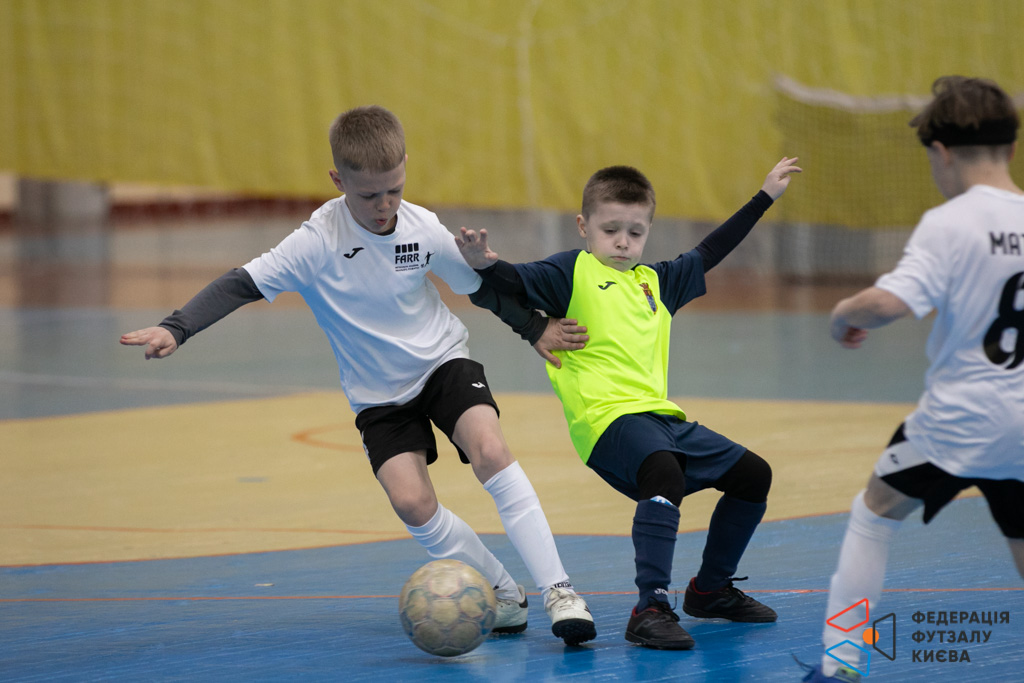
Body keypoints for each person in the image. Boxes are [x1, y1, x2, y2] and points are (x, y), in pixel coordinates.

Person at [120, 105, 597, 646]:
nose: (384, 205)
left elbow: (479, 289)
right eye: (369, 195)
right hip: (378, 395)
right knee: (411, 503)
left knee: (489, 449)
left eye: (394, 189)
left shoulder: (422, 227)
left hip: (442, 362)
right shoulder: (316, 241)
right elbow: (241, 283)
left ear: (405, 167)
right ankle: (503, 590)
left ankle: (560, 592)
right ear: (337, 180)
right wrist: (176, 328)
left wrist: (533, 327)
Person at [457, 156, 802, 649]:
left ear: (648, 232)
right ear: (584, 227)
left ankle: (710, 591)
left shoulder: (657, 282)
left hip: (660, 417)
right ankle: (650, 609)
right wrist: (486, 263)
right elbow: (512, 281)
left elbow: (711, 249)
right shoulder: (570, 271)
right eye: (611, 230)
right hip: (605, 420)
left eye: (635, 232)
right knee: (665, 473)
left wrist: (764, 197)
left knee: (753, 476)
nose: (622, 241)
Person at [801, 76, 1024, 682]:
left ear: (942, 153)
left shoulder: (950, 222)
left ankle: (841, 664)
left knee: (874, 512)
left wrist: (843, 314)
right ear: (1010, 147)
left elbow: (889, 303)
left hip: (959, 422)